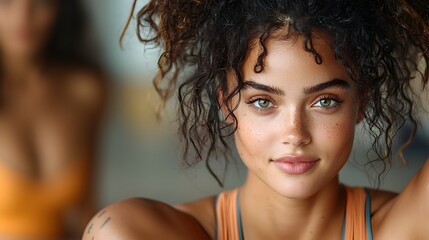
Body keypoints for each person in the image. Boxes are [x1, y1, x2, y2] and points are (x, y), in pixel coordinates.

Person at [84, 0, 428, 239]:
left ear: (361, 103)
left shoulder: (406, 225)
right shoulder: (134, 232)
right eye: (263, 101)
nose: (295, 134)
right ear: (226, 104)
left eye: (325, 101)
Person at [0, 0, 106, 239]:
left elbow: (85, 212)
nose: (23, 17)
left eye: (40, 2)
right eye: (5, 2)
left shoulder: (86, 90)